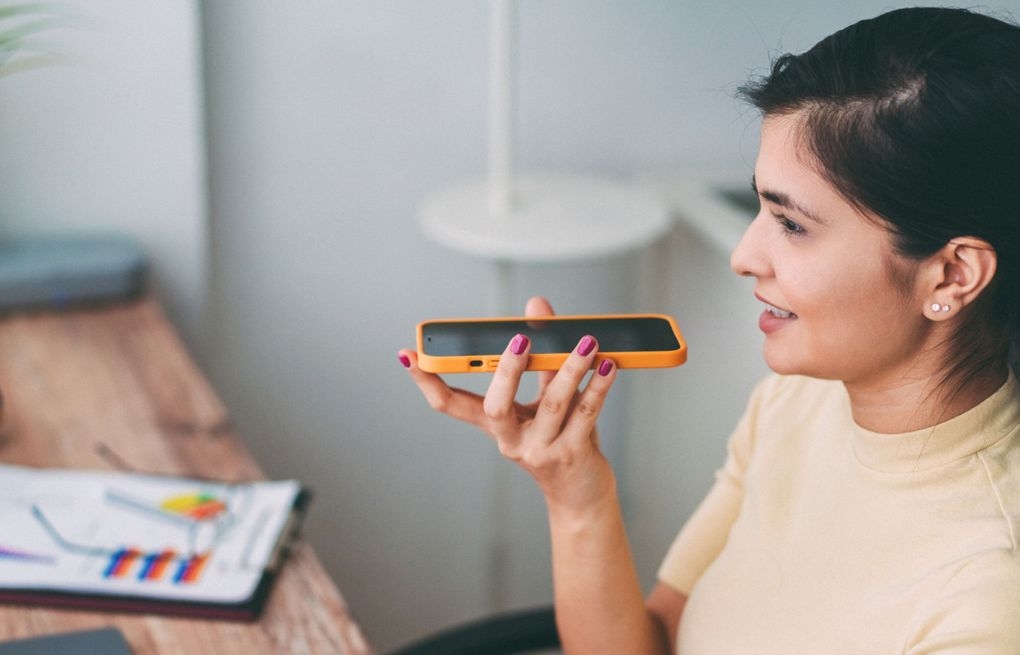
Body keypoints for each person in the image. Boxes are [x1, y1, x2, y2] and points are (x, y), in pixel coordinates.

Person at [398, 6, 1020, 654]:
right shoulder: (795, 404)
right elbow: (654, 641)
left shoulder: (988, 600)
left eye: (793, 225)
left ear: (952, 275)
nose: (744, 255)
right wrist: (576, 493)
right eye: (760, 206)